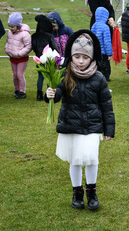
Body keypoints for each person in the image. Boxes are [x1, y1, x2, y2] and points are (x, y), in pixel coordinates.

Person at [44, 29, 115, 210]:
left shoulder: (99, 78)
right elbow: (57, 94)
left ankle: (91, 191)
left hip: (92, 125)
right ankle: (77, 192)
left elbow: (106, 105)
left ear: (91, 58)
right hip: (71, 124)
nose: (81, 61)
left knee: (92, 159)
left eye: (85, 57)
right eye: (77, 57)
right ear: (71, 56)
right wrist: (50, 94)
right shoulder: (65, 75)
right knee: (75, 160)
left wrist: (109, 129)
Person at [31, 14, 58, 101]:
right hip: (48, 59)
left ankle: (39, 94)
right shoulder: (49, 36)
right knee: (48, 77)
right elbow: (55, 48)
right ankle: (48, 93)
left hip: (39, 59)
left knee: (40, 77)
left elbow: (33, 47)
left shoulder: (34, 36)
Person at [5, 12, 32, 99]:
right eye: (9, 26)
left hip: (22, 58)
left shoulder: (25, 34)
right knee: (14, 75)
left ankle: (22, 92)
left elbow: (28, 46)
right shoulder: (9, 32)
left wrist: (19, 54)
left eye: (12, 26)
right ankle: (16, 90)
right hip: (12, 58)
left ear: (18, 26)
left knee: (20, 75)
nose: (10, 28)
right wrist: (7, 50)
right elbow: (8, 42)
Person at [91, 7, 113, 82]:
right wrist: (109, 53)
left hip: (96, 51)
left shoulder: (94, 25)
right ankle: (105, 77)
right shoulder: (105, 27)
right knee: (105, 66)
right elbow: (107, 42)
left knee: (97, 65)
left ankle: (96, 76)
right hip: (103, 52)